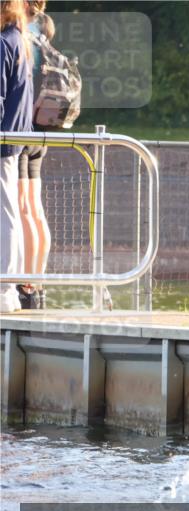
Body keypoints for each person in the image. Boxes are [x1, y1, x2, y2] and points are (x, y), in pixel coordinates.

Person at [16, 0, 50, 309]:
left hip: (20, 130)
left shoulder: (20, 33)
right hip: (41, 131)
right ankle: (37, 284)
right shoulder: (44, 28)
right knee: (35, 210)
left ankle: (25, 285)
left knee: (22, 210)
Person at [1, 0, 33, 314]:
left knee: (6, 215)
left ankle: (5, 290)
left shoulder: (4, 42)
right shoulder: (18, 39)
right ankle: (10, 289)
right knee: (9, 213)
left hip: (4, 140)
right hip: (13, 139)